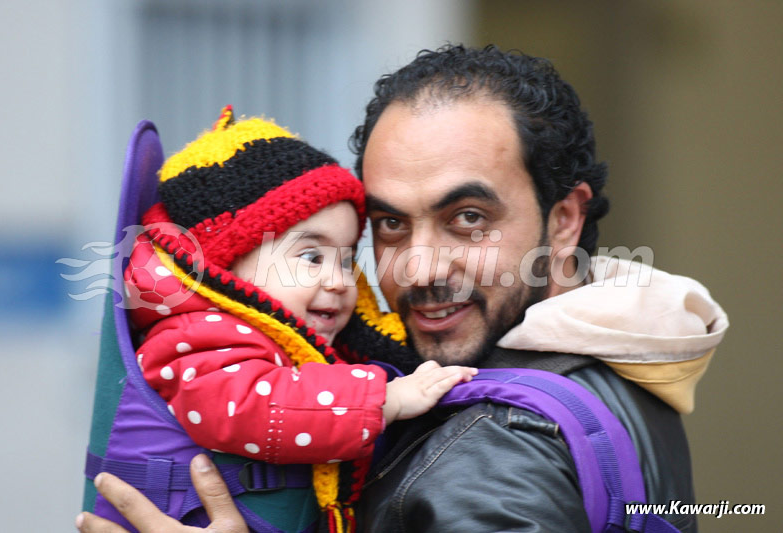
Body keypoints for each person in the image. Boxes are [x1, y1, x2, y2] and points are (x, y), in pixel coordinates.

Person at [77, 45, 728, 533]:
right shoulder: (632, 356)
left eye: (467, 218)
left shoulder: (493, 449)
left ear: (564, 221)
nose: (417, 269)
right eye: (389, 224)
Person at [110, 107, 476, 532]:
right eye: (311, 257)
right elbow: (252, 406)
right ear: (225, 268)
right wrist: (384, 400)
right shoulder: (193, 335)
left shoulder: (283, 339)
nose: (339, 281)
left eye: (345, 261)